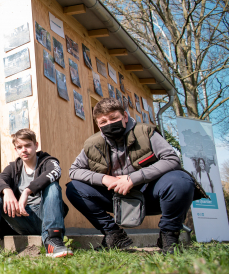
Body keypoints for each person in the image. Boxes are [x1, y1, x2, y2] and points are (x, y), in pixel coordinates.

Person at [65, 98, 206, 254]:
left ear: (125, 117)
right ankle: (114, 235)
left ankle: (169, 236)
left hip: (151, 195)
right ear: (98, 125)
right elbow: (74, 170)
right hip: (116, 197)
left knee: (181, 180)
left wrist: (133, 179)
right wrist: (104, 179)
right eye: (103, 121)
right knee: (74, 188)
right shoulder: (93, 144)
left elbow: (172, 160)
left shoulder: (145, 132)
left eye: (113, 118)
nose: (109, 124)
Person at [0, 129, 71, 258]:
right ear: (16, 150)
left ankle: (53, 240)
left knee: (52, 186)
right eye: (19, 147)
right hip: (22, 218)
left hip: (45, 216)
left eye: (28, 145)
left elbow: (54, 172)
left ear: (36, 145)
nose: (24, 150)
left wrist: (27, 192)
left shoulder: (48, 161)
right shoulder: (14, 167)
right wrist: (7, 191)